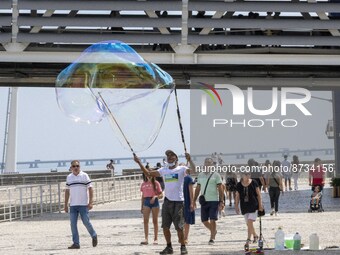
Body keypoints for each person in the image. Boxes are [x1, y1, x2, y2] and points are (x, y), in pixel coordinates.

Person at [134, 150, 192, 255]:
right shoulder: (163, 170)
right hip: (167, 202)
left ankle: (183, 246)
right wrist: (139, 163)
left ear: (176, 158)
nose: (169, 157)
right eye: (168, 156)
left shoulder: (181, 169)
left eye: (172, 155)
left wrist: (190, 160)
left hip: (178, 203)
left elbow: (194, 170)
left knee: (179, 227)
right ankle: (169, 247)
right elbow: (148, 173)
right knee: (165, 227)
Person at [64, 160, 98, 249]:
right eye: (74, 166)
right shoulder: (69, 177)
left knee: (86, 222)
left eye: (77, 166)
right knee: (73, 224)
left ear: (80, 167)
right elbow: (67, 191)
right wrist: (65, 204)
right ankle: (76, 243)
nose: (76, 168)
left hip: (83, 204)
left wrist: (90, 202)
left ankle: (94, 235)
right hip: (73, 205)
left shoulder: (84, 176)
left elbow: (90, 189)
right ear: (71, 168)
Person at [193, 157, 224, 245]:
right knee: (204, 220)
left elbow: (221, 189)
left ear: (212, 165)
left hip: (214, 200)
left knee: (213, 219)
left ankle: (212, 238)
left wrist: (221, 201)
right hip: (204, 201)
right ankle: (213, 231)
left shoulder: (216, 175)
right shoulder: (200, 175)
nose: (207, 164)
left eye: (209, 163)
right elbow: (198, 188)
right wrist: (194, 200)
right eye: (205, 162)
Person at [235, 172, 264, 247]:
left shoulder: (254, 182)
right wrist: (236, 206)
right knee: (248, 224)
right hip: (244, 206)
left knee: (250, 221)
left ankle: (248, 239)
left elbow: (259, 195)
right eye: (246, 174)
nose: (248, 176)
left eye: (249, 174)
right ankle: (255, 235)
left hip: (253, 205)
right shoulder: (239, 185)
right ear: (242, 175)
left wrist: (260, 205)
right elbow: (237, 196)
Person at [140, 173, 163, 245]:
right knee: (145, 220)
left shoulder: (156, 183)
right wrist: (141, 206)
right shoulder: (143, 184)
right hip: (146, 201)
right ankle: (146, 238)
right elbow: (143, 196)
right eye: (147, 175)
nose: (148, 176)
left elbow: (161, 195)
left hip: (155, 202)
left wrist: (155, 196)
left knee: (155, 220)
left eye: (150, 174)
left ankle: (155, 238)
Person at [183, 170, 195, 245]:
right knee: (180, 221)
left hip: (186, 202)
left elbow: (191, 191)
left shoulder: (188, 178)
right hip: (177, 202)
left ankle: (185, 237)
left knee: (187, 220)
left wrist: (192, 202)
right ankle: (183, 237)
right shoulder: (176, 177)